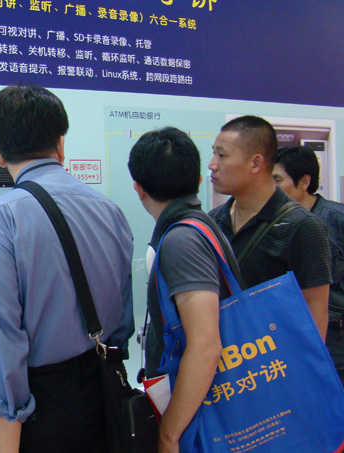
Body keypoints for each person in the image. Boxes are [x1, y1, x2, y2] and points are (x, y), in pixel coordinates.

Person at [0, 84, 134, 453]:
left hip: (43, 410)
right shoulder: (109, 210)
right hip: (103, 393)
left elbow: (2, 350)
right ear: (61, 144)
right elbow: (122, 321)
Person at [128, 127, 226, 453]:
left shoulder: (181, 240)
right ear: (197, 180)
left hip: (198, 412)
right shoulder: (201, 225)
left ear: (139, 188)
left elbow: (205, 345)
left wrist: (169, 433)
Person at [207, 115, 331, 340]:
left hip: (274, 356)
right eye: (213, 153)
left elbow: (316, 316)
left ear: (256, 163)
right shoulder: (213, 221)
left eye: (222, 155)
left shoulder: (302, 226)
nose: (212, 165)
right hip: (223, 353)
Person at [274, 145, 344, 382]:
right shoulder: (272, 224)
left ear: (304, 182)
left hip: (335, 341)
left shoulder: (337, 219)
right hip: (286, 338)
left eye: (277, 180)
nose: (270, 188)